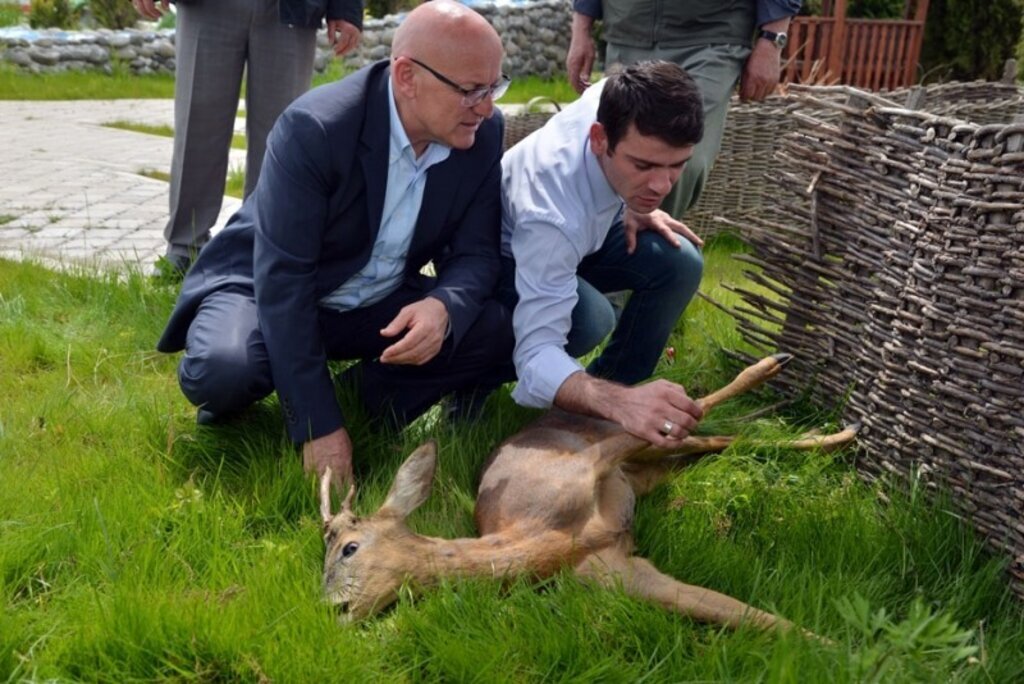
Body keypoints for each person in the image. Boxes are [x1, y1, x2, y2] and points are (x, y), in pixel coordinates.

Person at [156, 0, 513, 490]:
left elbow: (477, 254)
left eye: (494, 87)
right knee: (225, 368)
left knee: (492, 328)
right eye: (472, 90)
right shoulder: (317, 128)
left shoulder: (482, 133)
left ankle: (346, 407)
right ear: (406, 76)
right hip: (263, 289)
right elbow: (284, 282)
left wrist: (442, 306)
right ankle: (298, 410)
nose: (488, 107)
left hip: (371, 294)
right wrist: (317, 428)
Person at [500, 60, 706, 447]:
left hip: (583, 231)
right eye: (643, 165)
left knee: (679, 261)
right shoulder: (550, 215)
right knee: (591, 318)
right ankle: (611, 405)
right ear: (600, 139)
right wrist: (619, 402)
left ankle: (611, 407)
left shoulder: (618, 95)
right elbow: (536, 354)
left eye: (676, 165)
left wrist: (631, 200)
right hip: (508, 257)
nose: (662, 186)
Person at [133, 0, 364, 278]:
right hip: (208, 8)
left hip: (289, 10)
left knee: (281, 137)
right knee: (198, 122)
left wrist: (346, 7)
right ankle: (184, 245)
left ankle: (260, 245)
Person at [565, 0, 800, 221]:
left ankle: (645, 254)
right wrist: (580, 29)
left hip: (711, 35)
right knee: (613, 156)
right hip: (627, 32)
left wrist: (772, 39)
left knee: (680, 157)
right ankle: (607, 253)